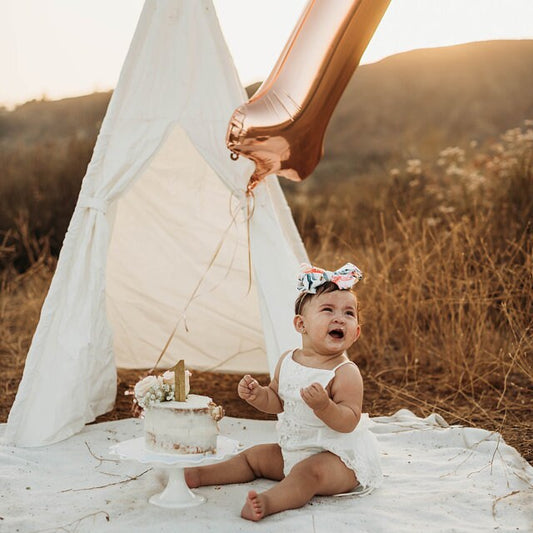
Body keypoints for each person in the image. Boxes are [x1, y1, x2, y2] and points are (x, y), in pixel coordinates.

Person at [185, 263, 382, 521]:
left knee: (306, 474)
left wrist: (325, 407)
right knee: (253, 457)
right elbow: (277, 400)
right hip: (293, 449)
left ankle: (268, 502)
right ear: (301, 324)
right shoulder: (288, 360)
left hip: (337, 459)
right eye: (328, 310)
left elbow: (348, 421)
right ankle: (200, 475)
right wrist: (258, 396)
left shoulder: (345, 372)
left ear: (355, 332)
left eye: (349, 313)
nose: (339, 318)